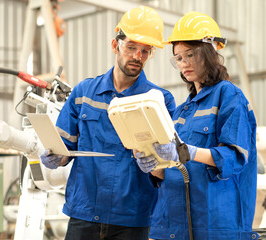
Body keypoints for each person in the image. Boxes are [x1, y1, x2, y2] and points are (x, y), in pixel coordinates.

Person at [40, 6, 176, 240]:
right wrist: (54, 155)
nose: (137, 56)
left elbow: (168, 166)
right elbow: (64, 148)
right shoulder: (84, 93)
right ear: (115, 45)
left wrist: (159, 163)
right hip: (84, 213)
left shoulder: (159, 100)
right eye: (131, 47)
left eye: (145, 51)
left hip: (133, 218)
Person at [136, 11, 259, 240]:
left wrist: (188, 152)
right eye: (178, 58)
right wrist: (154, 165)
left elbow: (234, 158)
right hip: (172, 226)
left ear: (209, 52)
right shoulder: (181, 110)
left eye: (189, 54)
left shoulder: (229, 95)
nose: (184, 64)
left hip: (214, 225)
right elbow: (171, 171)